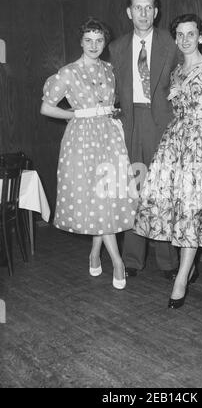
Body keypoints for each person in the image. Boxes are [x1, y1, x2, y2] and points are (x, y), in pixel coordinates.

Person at [133, 14, 202, 308]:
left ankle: (181, 279)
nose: (185, 39)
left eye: (190, 34)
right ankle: (187, 268)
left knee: (191, 210)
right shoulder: (177, 72)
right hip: (175, 144)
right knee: (175, 208)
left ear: (200, 37)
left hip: (199, 146)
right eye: (180, 35)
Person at [41, 17, 138, 290]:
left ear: (104, 42)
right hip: (82, 141)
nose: (94, 45)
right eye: (88, 40)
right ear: (80, 41)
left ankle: (96, 253)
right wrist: (75, 114)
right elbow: (47, 108)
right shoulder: (68, 72)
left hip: (108, 137)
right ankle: (117, 262)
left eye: (99, 40)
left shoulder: (110, 70)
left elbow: (114, 100)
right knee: (97, 198)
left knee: (107, 198)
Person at [109, 0, 180, 280]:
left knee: (162, 191)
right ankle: (133, 259)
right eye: (138, 7)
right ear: (129, 12)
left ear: (156, 11)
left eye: (148, 7)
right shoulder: (115, 48)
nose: (143, 13)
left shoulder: (172, 43)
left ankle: (167, 261)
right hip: (129, 123)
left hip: (162, 122)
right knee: (133, 191)